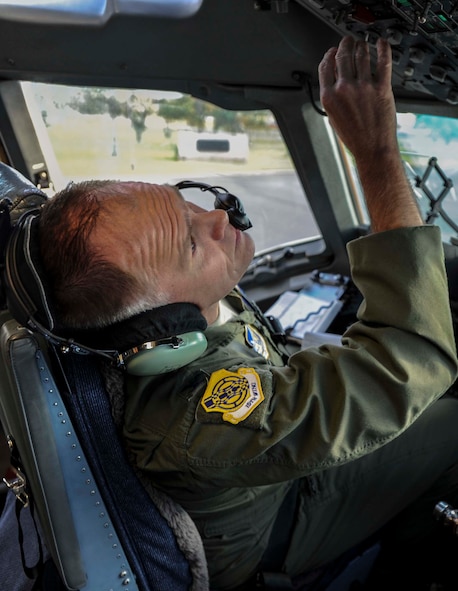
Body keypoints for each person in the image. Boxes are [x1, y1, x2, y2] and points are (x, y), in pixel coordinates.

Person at [30, 35, 458, 590]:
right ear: (158, 328)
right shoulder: (194, 420)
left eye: (186, 201)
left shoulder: (183, 321)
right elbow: (413, 355)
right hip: (280, 518)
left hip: (265, 470)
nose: (218, 218)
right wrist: (376, 152)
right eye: (188, 243)